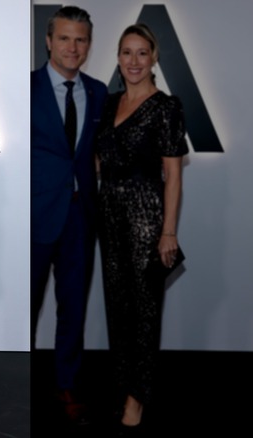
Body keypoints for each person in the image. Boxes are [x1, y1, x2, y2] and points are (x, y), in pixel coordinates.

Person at [95, 23, 188, 433]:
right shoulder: (109, 103)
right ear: (119, 58)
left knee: (145, 311)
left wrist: (168, 231)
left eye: (142, 53)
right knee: (117, 308)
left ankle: (138, 396)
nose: (134, 61)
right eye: (127, 53)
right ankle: (122, 386)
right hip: (109, 216)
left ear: (154, 59)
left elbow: (174, 176)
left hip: (147, 218)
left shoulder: (166, 107)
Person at [30, 5, 107, 426]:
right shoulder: (27, 87)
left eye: (80, 40)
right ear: (49, 41)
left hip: (81, 217)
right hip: (36, 215)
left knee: (73, 307)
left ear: (89, 44)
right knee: (28, 305)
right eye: (64, 38)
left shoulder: (98, 92)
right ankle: (20, 381)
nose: (72, 47)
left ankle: (68, 384)